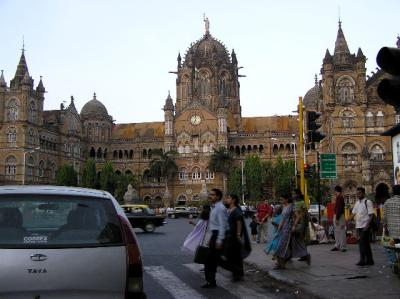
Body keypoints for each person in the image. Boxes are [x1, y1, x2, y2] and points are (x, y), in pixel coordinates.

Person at [202, 188, 228, 288]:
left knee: (210, 260)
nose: (210, 196)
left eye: (212, 195)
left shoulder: (220, 208)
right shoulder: (215, 208)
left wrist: (219, 240)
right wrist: (211, 238)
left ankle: (211, 281)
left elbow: (222, 225)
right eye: (210, 194)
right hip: (214, 235)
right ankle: (210, 281)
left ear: (218, 197)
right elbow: (214, 225)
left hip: (218, 235)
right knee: (212, 260)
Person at [224, 194, 251, 281]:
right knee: (232, 255)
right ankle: (237, 272)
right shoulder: (229, 209)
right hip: (229, 235)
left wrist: (238, 234)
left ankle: (237, 274)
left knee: (234, 255)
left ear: (233, 200)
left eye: (229, 197)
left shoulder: (236, 210)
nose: (227, 199)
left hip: (234, 236)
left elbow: (239, 222)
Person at [350, 187, 374, 266]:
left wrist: (367, 226)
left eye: (359, 193)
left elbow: (371, 215)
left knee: (362, 243)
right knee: (365, 243)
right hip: (358, 226)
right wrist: (346, 221)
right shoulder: (357, 203)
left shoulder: (368, 202)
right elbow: (353, 214)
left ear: (363, 193)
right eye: (357, 193)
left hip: (365, 226)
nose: (358, 195)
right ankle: (370, 260)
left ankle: (362, 260)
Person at [273, 194, 294, 269]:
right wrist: (278, 229)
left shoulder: (291, 207)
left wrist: (293, 225)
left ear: (286, 199)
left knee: (281, 246)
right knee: (280, 246)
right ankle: (281, 264)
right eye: (280, 200)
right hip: (283, 229)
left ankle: (281, 264)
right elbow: (282, 219)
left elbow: (297, 216)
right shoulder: (283, 207)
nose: (281, 201)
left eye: (282, 199)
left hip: (288, 229)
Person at [382, 185, 400, 270]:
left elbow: (384, 218)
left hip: (392, 233)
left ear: (392, 192)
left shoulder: (387, 202)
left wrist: (385, 228)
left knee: (389, 247)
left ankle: (394, 262)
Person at [292, 189, 311, 264]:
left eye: (294, 194)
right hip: (295, 222)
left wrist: (308, 223)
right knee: (298, 239)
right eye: (292, 194)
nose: (293, 195)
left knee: (301, 239)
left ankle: (304, 255)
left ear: (298, 194)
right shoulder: (294, 203)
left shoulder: (302, 203)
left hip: (301, 223)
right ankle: (303, 255)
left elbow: (306, 213)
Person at [332, 186, 347, 252]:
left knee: (340, 231)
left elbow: (338, 208)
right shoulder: (341, 197)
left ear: (336, 191)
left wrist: (337, 218)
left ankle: (342, 246)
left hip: (339, 216)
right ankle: (338, 245)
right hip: (340, 215)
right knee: (338, 231)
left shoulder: (339, 197)